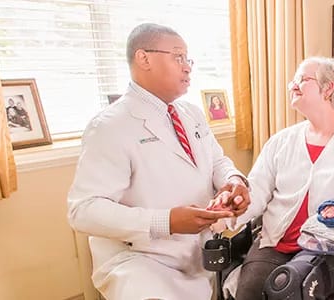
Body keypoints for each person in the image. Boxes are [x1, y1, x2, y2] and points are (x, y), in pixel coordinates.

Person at [66, 23, 250, 300]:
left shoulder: (191, 113)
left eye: (187, 59)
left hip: (193, 257)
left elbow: (217, 162)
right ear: (144, 58)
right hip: (140, 263)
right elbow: (83, 210)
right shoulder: (110, 126)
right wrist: (166, 221)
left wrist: (233, 181)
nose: (187, 67)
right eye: (178, 57)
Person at [224, 57, 334, 299]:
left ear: (328, 88)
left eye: (302, 79)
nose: (292, 85)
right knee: (249, 292)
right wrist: (233, 210)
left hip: (332, 247)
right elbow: (257, 190)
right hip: (275, 243)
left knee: (290, 287)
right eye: (292, 81)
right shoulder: (282, 140)